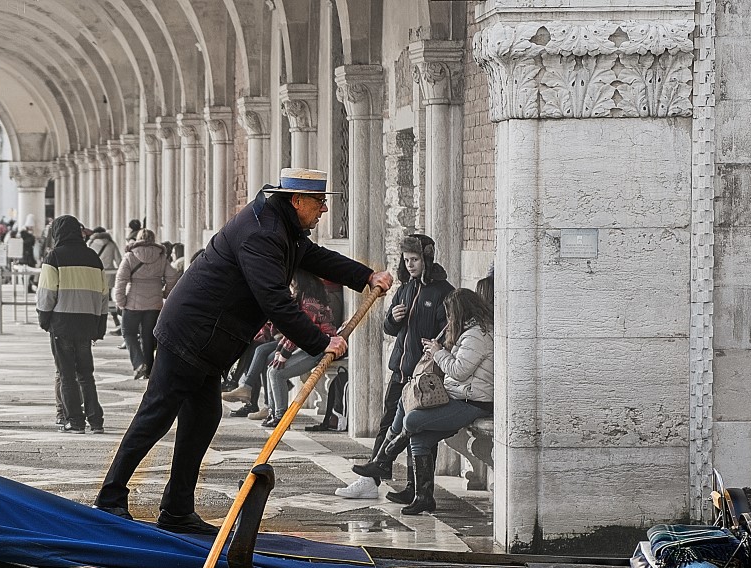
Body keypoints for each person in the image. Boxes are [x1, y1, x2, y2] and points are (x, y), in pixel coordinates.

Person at [93, 168, 394, 533]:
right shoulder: (262, 234)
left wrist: (365, 276)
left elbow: (315, 257)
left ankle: (176, 509)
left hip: (207, 343)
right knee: (155, 416)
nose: (324, 210)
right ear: (297, 201)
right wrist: (320, 342)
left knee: (202, 418)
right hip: (188, 335)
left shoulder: (284, 228)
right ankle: (109, 499)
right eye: (319, 202)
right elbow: (274, 301)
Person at [336, 235, 453, 500]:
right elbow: (389, 328)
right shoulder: (404, 288)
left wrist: (435, 346)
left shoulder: (443, 292)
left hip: (424, 376)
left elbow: (449, 332)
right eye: (406, 260)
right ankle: (372, 477)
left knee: (419, 431)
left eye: (414, 260)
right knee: (387, 424)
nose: (410, 265)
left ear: (426, 259)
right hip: (400, 372)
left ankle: (417, 489)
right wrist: (392, 318)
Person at [397, 288, 495, 515]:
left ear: (460, 312)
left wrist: (439, 352)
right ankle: (423, 497)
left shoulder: (477, 335)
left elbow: (459, 371)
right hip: (461, 396)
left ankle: (393, 448)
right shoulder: (469, 332)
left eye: (450, 314)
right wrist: (439, 349)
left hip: (473, 402)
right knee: (420, 435)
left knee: (412, 421)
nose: (449, 319)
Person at [37, 215, 109, 434]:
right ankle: (96, 421)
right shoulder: (93, 257)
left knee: (67, 373)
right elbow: (103, 295)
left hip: (62, 322)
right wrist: (100, 325)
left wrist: (44, 319)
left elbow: (47, 294)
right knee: (86, 374)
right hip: (87, 322)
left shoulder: (54, 257)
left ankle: (75, 421)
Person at [261, 272, 339, 428]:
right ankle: (273, 413)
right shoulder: (304, 298)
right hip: (310, 346)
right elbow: (292, 329)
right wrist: (279, 350)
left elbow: (300, 330)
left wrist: (285, 354)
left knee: (277, 373)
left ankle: (281, 418)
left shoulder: (310, 302)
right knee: (272, 367)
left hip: (320, 348)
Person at [113, 229, 179, 380]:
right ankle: (148, 370)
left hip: (133, 303)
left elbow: (121, 279)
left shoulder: (130, 256)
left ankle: (138, 363)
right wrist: (165, 293)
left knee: (128, 333)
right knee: (149, 336)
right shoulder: (161, 257)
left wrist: (121, 300)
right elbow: (172, 276)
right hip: (154, 302)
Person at [87, 226, 122, 334]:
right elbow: (119, 260)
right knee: (107, 300)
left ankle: (94, 323)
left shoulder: (90, 244)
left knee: (95, 300)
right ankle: (116, 321)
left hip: (94, 275)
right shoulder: (111, 244)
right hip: (109, 276)